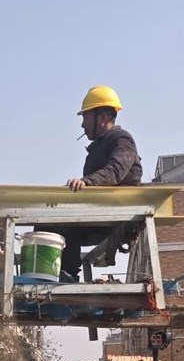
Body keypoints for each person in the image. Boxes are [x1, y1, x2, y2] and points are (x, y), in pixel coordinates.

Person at [56, 86, 143, 280]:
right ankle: (54, 276)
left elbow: (115, 171)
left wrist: (86, 182)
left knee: (60, 225)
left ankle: (67, 277)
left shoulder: (122, 140)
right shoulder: (99, 147)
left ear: (102, 117)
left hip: (111, 218)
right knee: (47, 227)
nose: (82, 125)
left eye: (85, 117)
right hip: (98, 215)